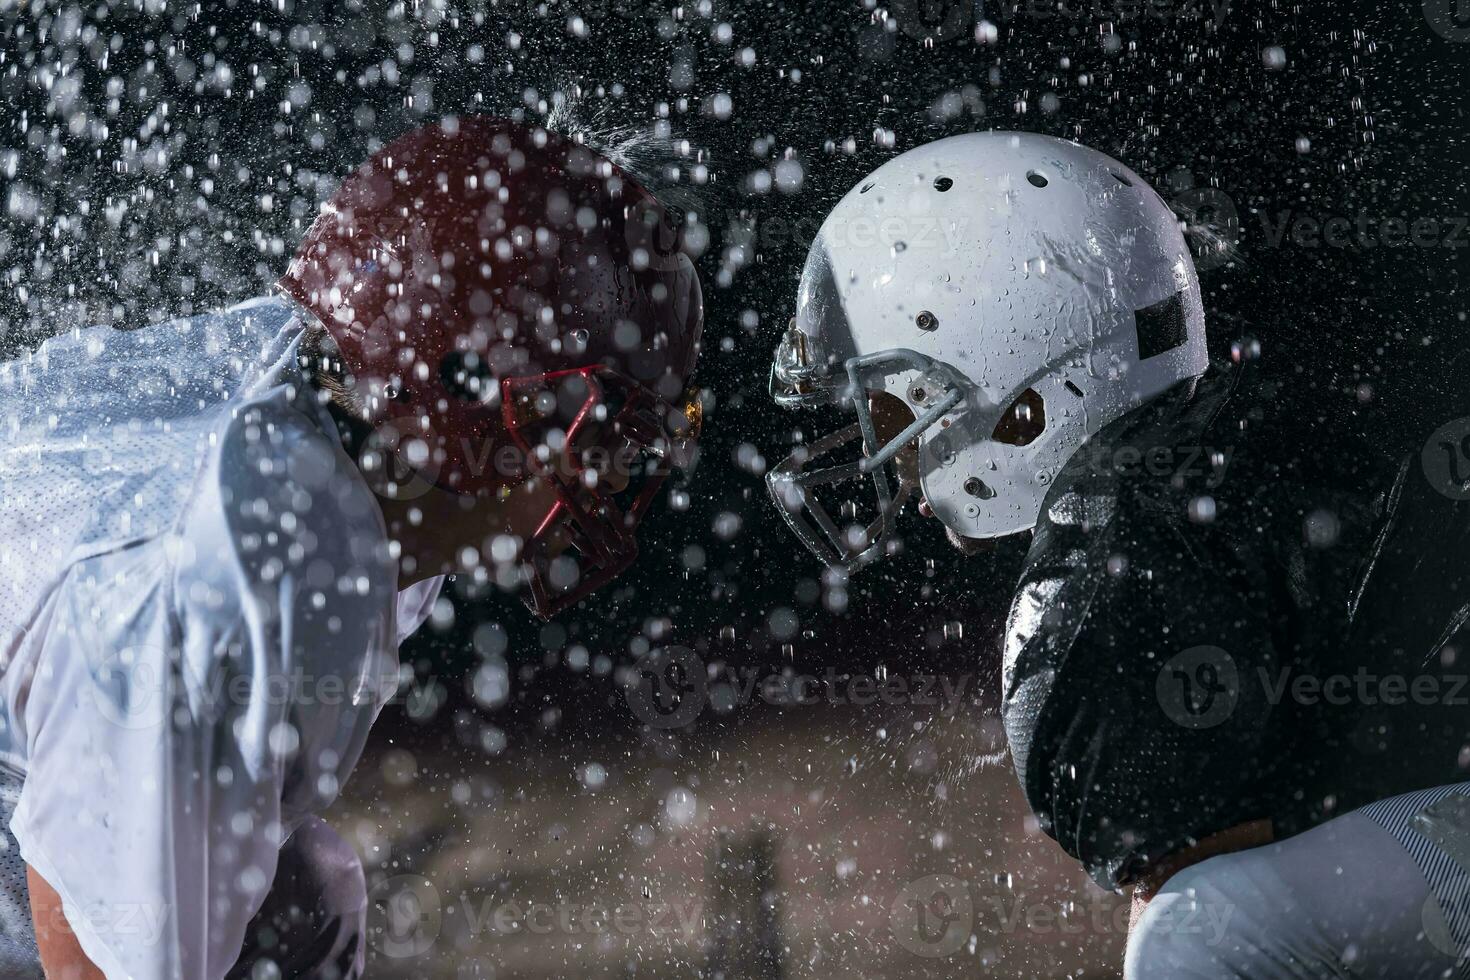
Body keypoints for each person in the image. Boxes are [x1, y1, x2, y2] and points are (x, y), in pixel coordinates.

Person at [0, 115, 703, 979]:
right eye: (609, 427)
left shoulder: (349, 434)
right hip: (65, 770)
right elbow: (75, 897)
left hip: (62, 745)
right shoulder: (239, 575)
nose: (615, 467)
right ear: (470, 390)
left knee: (301, 896)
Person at [765, 130, 1470, 977]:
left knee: (1201, 934)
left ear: (1020, 387)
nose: (890, 455)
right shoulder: (1249, 440)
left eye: (889, 408)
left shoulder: (1108, 572)